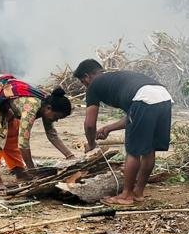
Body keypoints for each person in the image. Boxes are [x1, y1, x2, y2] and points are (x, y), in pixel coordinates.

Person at [74, 59, 173, 206]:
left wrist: (91, 144)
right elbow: (134, 115)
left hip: (143, 99)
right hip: (164, 97)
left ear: (87, 77)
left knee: (133, 152)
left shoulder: (94, 85)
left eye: (83, 82)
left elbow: (89, 125)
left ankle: (126, 195)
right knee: (149, 149)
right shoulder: (117, 78)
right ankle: (138, 193)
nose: (86, 85)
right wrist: (109, 128)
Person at [0, 73, 76, 193]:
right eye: (56, 117)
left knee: (12, 132)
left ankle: (20, 172)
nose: (56, 120)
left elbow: (52, 134)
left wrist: (70, 157)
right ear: (48, 108)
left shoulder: (47, 103)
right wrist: (33, 170)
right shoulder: (31, 108)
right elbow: (23, 144)